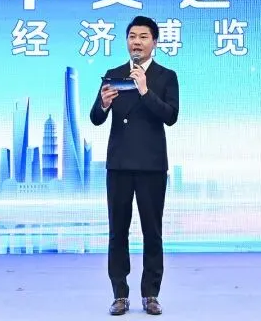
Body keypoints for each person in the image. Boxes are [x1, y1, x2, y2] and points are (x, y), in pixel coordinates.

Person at [89, 16, 180, 316]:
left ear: (155, 42)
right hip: (119, 164)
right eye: (132, 36)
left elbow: (170, 116)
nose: (136, 42)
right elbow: (96, 118)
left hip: (152, 165)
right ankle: (119, 294)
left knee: (152, 232)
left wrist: (144, 90)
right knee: (118, 231)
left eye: (143, 37)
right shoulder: (113, 74)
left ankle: (151, 294)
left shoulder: (166, 76)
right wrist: (103, 103)